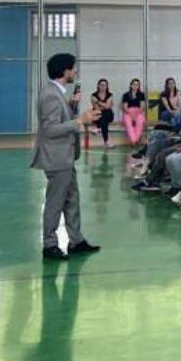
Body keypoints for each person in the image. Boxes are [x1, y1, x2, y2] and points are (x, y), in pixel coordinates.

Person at [33, 53, 101, 260]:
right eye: (73, 68)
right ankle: (50, 244)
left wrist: (71, 107)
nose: (76, 71)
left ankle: (76, 240)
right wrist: (81, 119)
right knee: (55, 202)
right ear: (65, 72)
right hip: (57, 157)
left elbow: (60, 118)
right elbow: (51, 129)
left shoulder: (58, 93)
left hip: (65, 156)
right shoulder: (51, 95)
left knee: (72, 198)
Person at [121, 78, 147, 148]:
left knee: (140, 122)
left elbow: (142, 106)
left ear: (139, 86)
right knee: (128, 123)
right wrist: (130, 114)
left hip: (139, 112)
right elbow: (125, 107)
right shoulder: (126, 95)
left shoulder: (141, 94)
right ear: (131, 85)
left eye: (137, 85)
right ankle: (134, 141)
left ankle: (135, 140)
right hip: (128, 112)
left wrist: (136, 114)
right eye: (134, 84)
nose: (135, 86)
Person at [90, 79, 114, 148]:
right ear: (98, 86)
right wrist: (105, 106)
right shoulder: (93, 95)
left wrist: (98, 101)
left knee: (106, 113)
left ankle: (97, 128)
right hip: (97, 115)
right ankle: (106, 143)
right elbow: (96, 108)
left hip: (109, 115)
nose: (103, 86)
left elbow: (108, 106)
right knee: (104, 120)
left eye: (105, 85)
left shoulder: (110, 95)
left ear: (107, 86)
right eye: (102, 85)